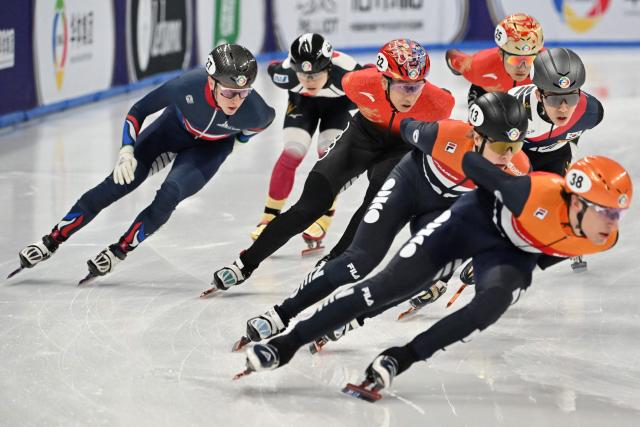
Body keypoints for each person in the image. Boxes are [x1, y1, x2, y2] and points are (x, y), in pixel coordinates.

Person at [241, 153, 632, 402]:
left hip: (510, 253)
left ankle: (399, 359)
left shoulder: (602, 240)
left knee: (488, 308)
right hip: (467, 224)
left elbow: (552, 254)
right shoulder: (535, 192)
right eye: (608, 212)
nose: (612, 223)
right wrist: (500, 181)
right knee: (381, 291)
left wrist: (520, 273)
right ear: (578, 202)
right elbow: (473, 165)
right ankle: (286, 344)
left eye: (618, 214)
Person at [239, 92, 531, 350]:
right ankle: (281, 314)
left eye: (515, 148)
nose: (508, 157)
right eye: (503, 146)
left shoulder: (516, 169)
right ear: (476, 137)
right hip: (409, 186)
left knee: (423, 275)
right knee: (358, 262)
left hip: (441, 208)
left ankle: (354, 319)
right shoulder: (443, 135)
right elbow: (405, 128)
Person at [205, 39, 455, 295]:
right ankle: (245, 263)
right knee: (309, 206)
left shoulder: (439, 103)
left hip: (401, 147)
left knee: (373, 207)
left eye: (416, 87)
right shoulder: (356, 82)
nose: (410, 95)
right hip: (361, 138)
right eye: (403, 87)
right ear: (383, 80)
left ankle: (331, 264)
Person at [9, 44, 275, 283]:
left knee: (170, 193)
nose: (236, 101)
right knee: (115, 184)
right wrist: (126, 150)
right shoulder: (186, 86)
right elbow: (139, 110)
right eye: (230, 92)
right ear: (211, 82)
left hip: (209, 150)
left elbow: (262, 124)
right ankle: (52, 240)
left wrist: (239, 142)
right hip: (171, 131)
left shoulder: (257, 110)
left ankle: (120, 250)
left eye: (243, 93)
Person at [250, 33, 360, 255]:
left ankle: (324, 217)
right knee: (292, 152)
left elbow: (376, 78)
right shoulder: (285, 75)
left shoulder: (349, 75)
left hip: (339, 107)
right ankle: (268, 217)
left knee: (328, 154)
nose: (309, 81)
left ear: (329, 68)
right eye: (303, 74)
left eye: (315, 75)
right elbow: (272, 67)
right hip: (303, 105)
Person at [510, 47, 604, 271]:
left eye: (571, 97)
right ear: (538, 94)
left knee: (559, 200)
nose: (563, 108)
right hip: (517, 151)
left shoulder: (591, 113)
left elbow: (574, 133)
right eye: (554, 100)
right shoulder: (513, 109)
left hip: (556, 152)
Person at [446, 13, 544, 105]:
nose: (522, 68)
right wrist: (456, 66)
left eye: (529, 60)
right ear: (501, 54)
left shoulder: (549, 64)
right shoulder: (478, 66)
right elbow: (452, 55)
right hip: (490, 96)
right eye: (515, 60)